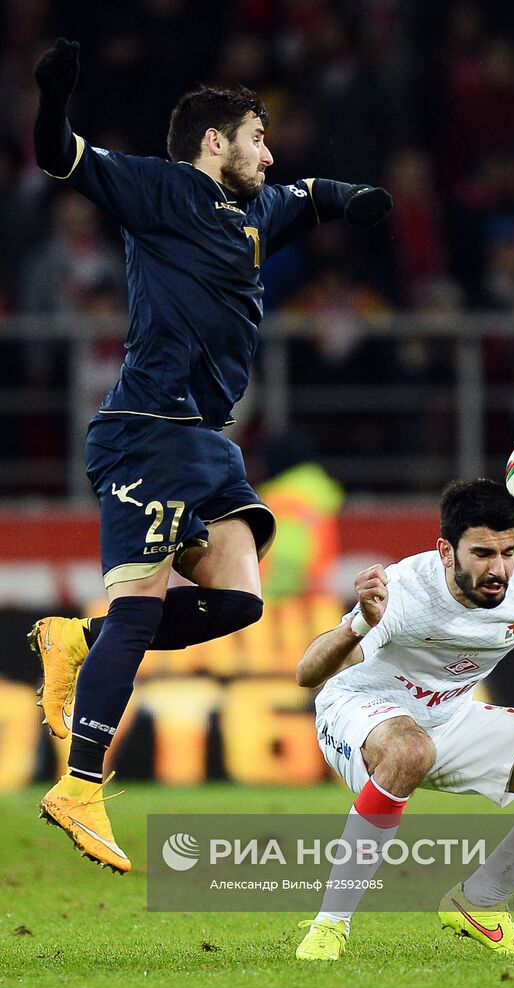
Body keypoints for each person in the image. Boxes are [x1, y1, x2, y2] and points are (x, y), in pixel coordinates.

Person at [29, 38, 393, 874]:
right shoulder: (158, 188)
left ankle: (77, 643)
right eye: (257, 139)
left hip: (204, 441)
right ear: (214, 141)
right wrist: (53, 101)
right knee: (139, 610)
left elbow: (314, 195)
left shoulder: (257, 209)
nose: (269, 155)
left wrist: (357, 200)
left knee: (236, 601)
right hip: (147, 428)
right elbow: (59, 155)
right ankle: (79, 785)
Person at [294, 478, 514, 960]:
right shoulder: (404, 591)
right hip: (359, 708)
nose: (498, 569)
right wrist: (359, 623)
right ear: (446, 551)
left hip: (449, 716)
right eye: (482, 553)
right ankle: (329, 926)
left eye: (509, 552)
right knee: (410, 750)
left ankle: (479, 902)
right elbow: (308, 673)